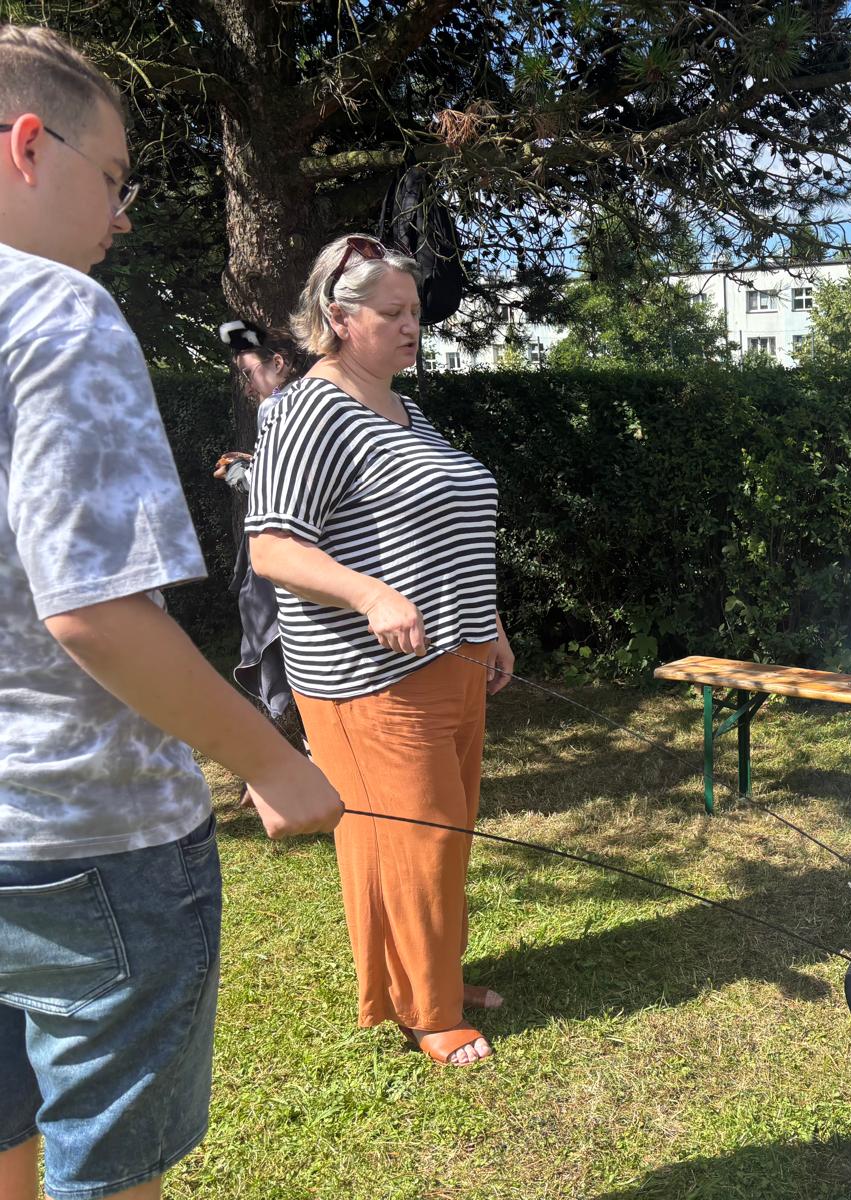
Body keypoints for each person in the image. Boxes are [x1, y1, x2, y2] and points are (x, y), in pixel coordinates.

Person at [0, 24, 343, 1200]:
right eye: (113, 179)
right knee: (106, 1174)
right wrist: (274, 761)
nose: (122, 217)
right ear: (27, 145)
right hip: (84, 845)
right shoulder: (58, 311)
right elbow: (93, 610)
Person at [247, 233, 515, 1067]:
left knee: (445, 830)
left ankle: (431, 973)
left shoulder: (405, 410)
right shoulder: (307, 409)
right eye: (393, 313)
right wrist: (369, 594)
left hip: (452, 658)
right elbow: (272, 546)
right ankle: (427, 1011)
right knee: (414, 837)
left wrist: (489, 623)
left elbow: (444, 532)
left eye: (415, 312)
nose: (412, 327)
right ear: (339, 317)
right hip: (369, 678)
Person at [212, 322, 304, 735]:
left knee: (277, 640)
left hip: (285, 547)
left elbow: (273, 489)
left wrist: (238, 473)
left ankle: (292, 729)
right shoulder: (308, 401)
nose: (247, 387)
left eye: (249, 373)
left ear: (278, 363)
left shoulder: (277, 406)